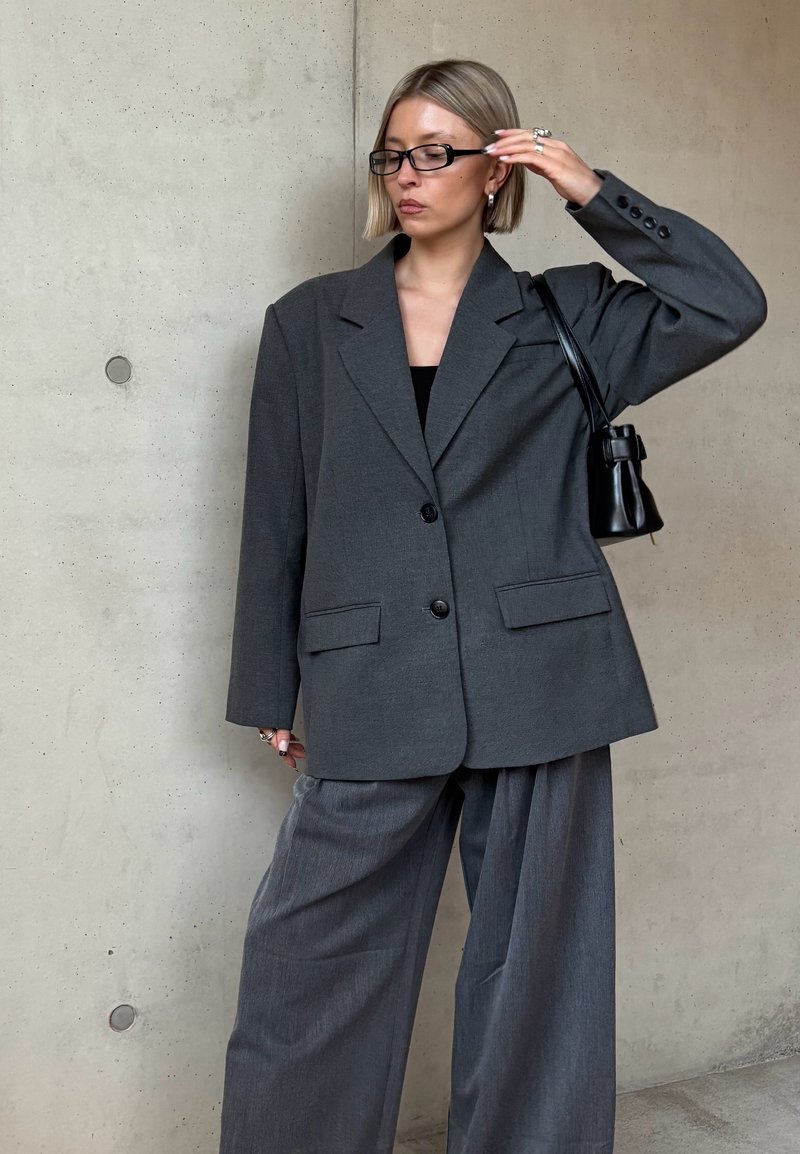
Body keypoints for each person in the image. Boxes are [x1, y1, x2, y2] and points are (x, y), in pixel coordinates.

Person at [218, 58, 767, 1154]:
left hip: (541, 676)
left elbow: (726, 300)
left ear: (493, 164)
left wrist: (590, 190)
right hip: (368, 673)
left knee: (538, 981)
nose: (407, 174)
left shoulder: (566, 315)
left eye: (435, 151)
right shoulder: (310, 323)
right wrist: (268, 685)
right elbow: (276, 512)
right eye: (392, 152)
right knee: (307, 965)